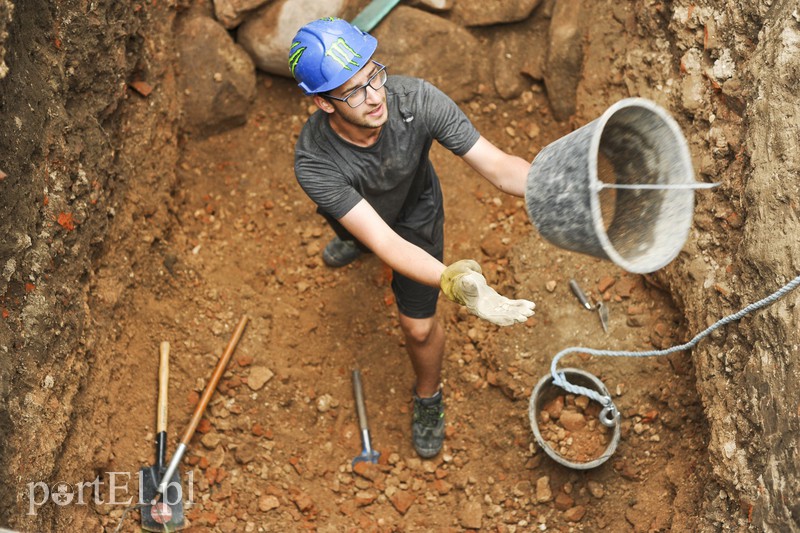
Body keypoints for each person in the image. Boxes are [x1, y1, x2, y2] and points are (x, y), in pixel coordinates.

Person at [289, 17, 535, 458]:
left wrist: (556, 185)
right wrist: (451, 278)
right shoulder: (315, 163)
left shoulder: (416, 100)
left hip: (416, 215)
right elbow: (383, 242)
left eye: (374, 75)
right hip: (363, 220)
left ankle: (427, 397)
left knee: (418, 329)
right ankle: (351, 242)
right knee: (359, 234)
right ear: (325, 104)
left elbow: (498, 167)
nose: (375, 96)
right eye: (354, 91)